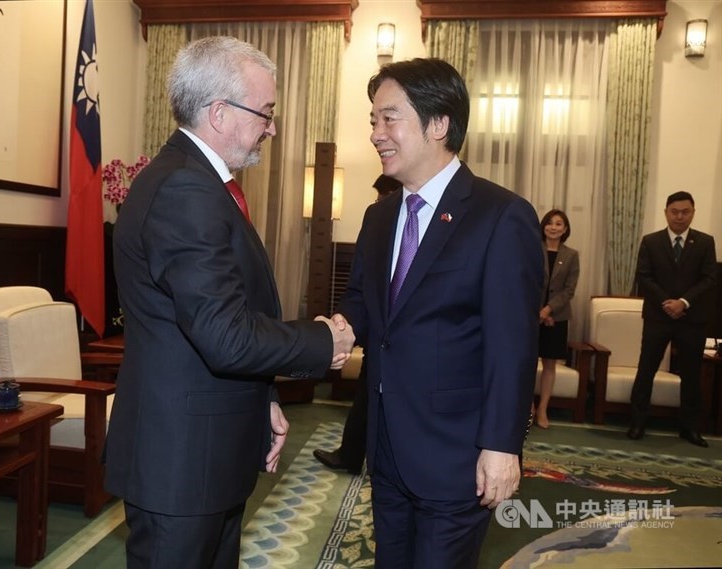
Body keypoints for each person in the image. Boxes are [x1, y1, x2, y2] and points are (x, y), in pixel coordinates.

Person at [104, 37, 354, 569]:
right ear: (219, 112)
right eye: (265, 112)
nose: (272, 126)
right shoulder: (186, 190)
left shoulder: (197, 182)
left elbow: (201, 324)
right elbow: (224, 334)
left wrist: (261, 398)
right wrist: (321, 341)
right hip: (181, 463)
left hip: (203, 451)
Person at [334, 58, 542, 568]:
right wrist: (335, 330)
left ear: (438, 124)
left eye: (389, 119)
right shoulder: (380, 216)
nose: (376, 134)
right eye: (373, 121)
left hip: (458, 456)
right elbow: (363, 302)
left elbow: (511, 345)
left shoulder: (501, 216)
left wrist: (502, 446)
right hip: (387, 448)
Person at [314, 174, 402, 475]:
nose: (380, 201)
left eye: (384, 195)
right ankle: (351, 456)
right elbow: (359, 286)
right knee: (366, 400)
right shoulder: (376, 217)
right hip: (376, 338)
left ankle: (353, 456)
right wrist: (344, 324)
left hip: (413, 352)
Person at [627, 191, 717, 447]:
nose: (679, 216)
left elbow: (710, 278)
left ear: (693, 212)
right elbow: (644, 276)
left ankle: (690, 428)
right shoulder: (651, 241)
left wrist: (683, 302)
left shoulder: (705, 242)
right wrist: (667, 302)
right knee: (646, 369)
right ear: (666, 212)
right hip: (658, 315)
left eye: (685, 212)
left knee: (691, 374)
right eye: (674, 211)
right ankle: (637, 422)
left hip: (692, 318)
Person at [534, 209, 580, 429]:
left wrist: (549, 310)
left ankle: (543, 408)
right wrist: (538, 311)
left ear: (566, 229)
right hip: (531, 316)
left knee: (549, 365)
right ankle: (527, 409)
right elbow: (526, 281)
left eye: (559, 224)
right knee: (527, 364)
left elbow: (569, 290)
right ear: (543, 227)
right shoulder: (533, 249)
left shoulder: (571, 255)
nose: (553, 227)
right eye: (550, 223)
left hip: (557, 318)